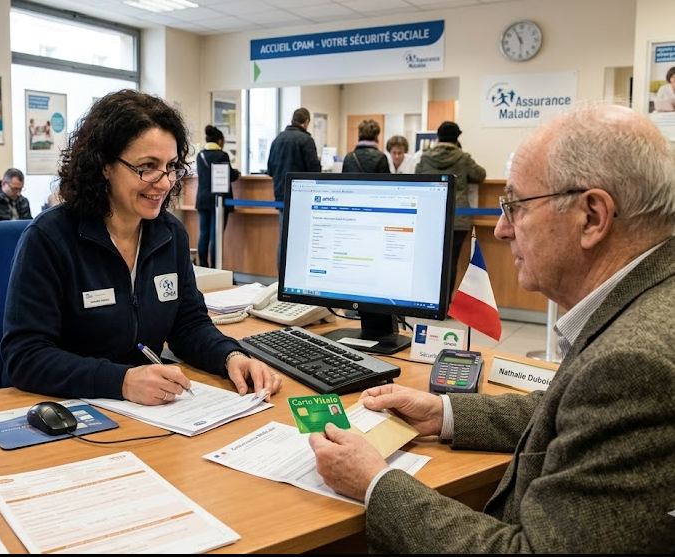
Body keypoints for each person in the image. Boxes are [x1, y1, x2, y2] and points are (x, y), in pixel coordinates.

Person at [308, 103, 675, 553]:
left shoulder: (634, 363)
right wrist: (443, 412)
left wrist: (376, 483)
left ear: (592, 216)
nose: (501, 230)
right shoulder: (649, 305)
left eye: (515, 206)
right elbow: (571, 412)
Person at [0, 89, 282, 405]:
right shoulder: (50, 238)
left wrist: (230, 356)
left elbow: (188, 326)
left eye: (171, 166)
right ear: (104, 165)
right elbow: (25, 357)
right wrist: (121, 381)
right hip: (68, 409)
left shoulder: (170, 234)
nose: (164, 183)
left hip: (148, 409)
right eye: (147, 166)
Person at [414, 121, 486, 294]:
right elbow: (480, 175)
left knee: (430, 260)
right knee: (451, 261)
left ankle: (427, 299)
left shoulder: (425, 157)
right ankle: (445, 305)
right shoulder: (463, 158)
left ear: (438, 137)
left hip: (430, 216)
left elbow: (416, 178)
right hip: (457, 217)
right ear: (457, 138)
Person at [266, 108, 322, 265]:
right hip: (302, 198)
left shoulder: (277, 139)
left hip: (281, 197)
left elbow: (270, 169)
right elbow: (315, 170)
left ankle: (281, 278)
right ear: (306, 122)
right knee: (303, 239)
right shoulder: (306, 140)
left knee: (284, 238)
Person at [195, 125, 240, 269]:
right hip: (218, 201)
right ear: (220, 141)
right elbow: (230, 176)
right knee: (216, 236)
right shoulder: (222, 155)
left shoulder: (200, 155)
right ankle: (215, 268)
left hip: (202, 200)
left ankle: (202, 266)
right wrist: (237, 173)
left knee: (204, 234)